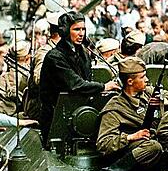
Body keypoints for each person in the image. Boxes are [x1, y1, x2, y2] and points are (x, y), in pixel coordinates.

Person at [39, 11, 120, 144]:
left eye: (83, 29)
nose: (81, 33)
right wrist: (103, 86)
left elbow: (86, 80)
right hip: (57, 118)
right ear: (65, 32)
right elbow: (76, 84)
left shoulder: (82, 52)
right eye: (76, 29)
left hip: (78, 111)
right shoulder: (55, 57)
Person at [96, 57, 164, 171]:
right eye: (142, 77)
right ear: (130, 81)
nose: (147, 80)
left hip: (146, 144)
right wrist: (130, 137)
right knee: (153, 147)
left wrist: (164, 101)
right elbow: (103, 144)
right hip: (126, 153)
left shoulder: (147, 93)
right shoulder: (115, 108)